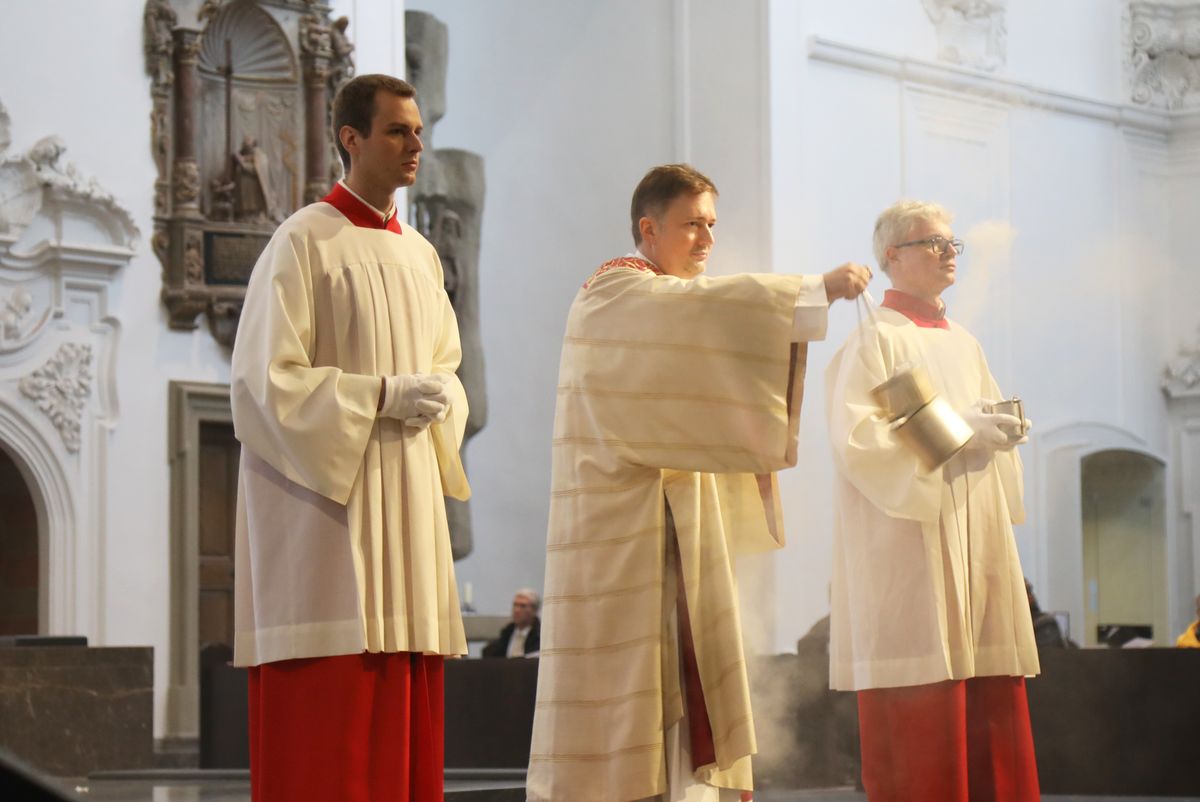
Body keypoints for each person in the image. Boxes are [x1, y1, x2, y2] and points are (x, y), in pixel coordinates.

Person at [526, 163, 871, 802]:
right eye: (691, 225)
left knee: (686, 691)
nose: (707, 239)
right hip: (623, 533)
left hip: (674, 526)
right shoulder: (615, 292)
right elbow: (701, 311)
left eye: (712, 224)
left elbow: (702, 344)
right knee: (635, 695)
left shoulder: (663, 298)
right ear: (648, 229)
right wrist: (810, 291)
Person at [230, 73, 470, 802]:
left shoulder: (421, 256)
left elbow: (448, 372)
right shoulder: (303, 241)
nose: (415, 145)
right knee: (333, 751)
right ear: (351, 138)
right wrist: (380, 397)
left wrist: (435, 398)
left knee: (402, 732)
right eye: (398, 131)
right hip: (332, 526)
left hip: (407, 517)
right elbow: (263, 384)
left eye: (419, 131)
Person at [825, 199, 1039, 802]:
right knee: (926, 723)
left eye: (952, 243)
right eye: (932, 243)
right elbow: (859, 443)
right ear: (892, 257)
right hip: (913, 551)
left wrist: (1000, 430)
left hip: (975, 534)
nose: (948, 252)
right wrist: (962, 429)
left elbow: (979, 425)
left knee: (989, 703)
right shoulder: (875, 341)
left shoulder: (965, 343)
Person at [482, 588, 542, 658]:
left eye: (523, 606)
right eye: (515, 605)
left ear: (534, 610)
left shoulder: (540, 636)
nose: (516, 610)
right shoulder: (507, 633)